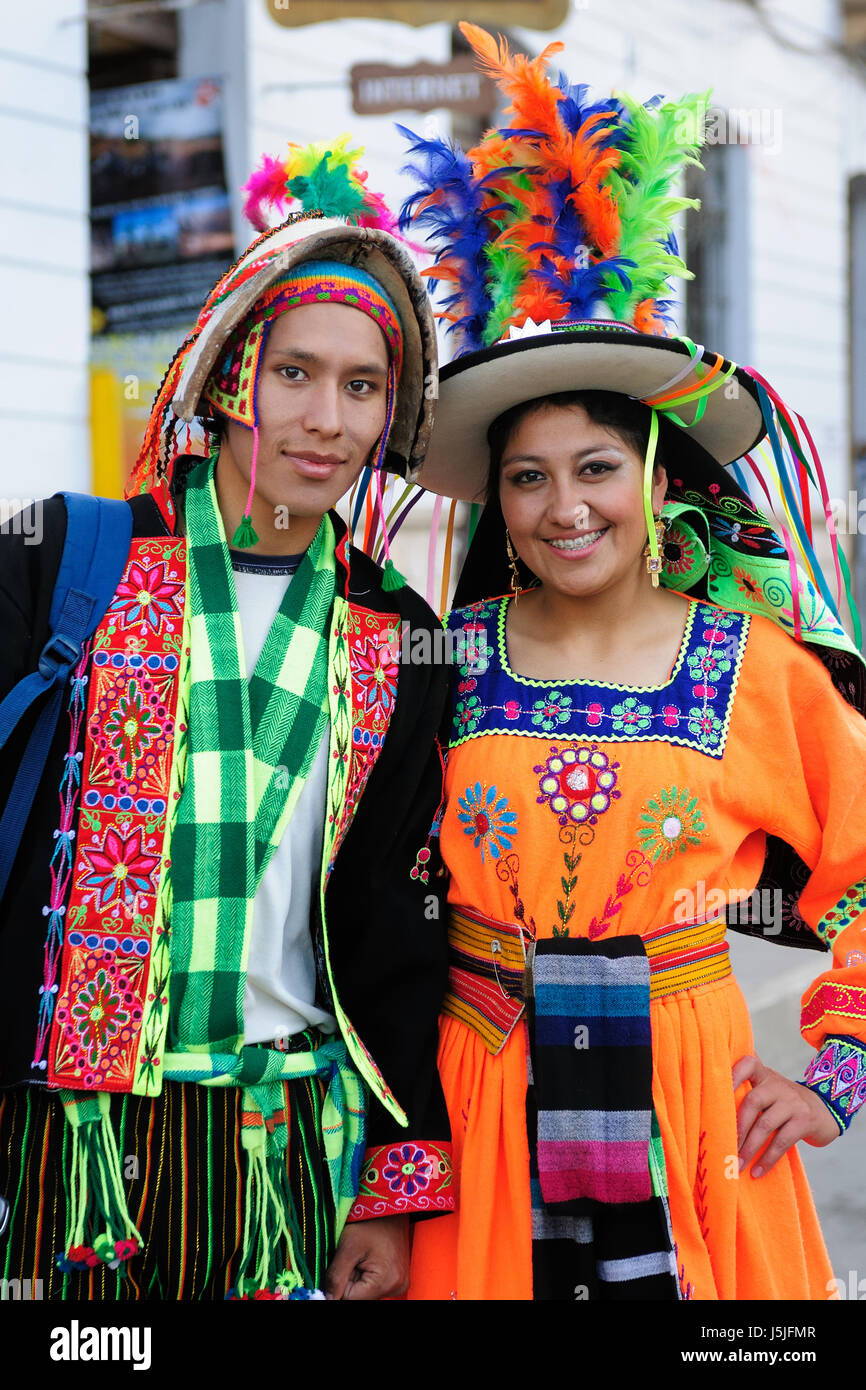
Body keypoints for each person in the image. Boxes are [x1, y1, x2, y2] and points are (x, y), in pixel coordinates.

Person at [400, 24, 866, 1300]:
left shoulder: (757, 666)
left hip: (691, 1096)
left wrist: (833, 1078)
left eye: (596, 467)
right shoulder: (438, 662)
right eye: (526, 477)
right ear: (492, 502)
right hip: (480, 1095)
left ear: (656, 480)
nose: (564, 507)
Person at [0, 141, 453, 1301]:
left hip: (283, 1143)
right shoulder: (69, 555)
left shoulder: (395, 631)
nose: (326, 419)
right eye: (294, 372)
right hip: (67, 1138)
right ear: (224, 376)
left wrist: (396, 1191)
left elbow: (394, 917)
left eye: (363, 387)